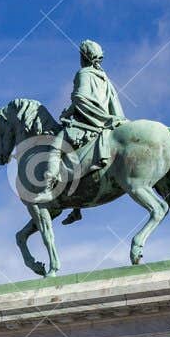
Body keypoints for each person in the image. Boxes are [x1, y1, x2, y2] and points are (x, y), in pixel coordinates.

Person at [55, 39, 126, 223]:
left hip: (90, 123)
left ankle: (49, 185)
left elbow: (80, 98)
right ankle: (76, 208)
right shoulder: (105, 79)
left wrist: (69, 111)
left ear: (83, 56)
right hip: (107, 122)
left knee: (56, 143)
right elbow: (113, 105)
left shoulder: (83, 74)